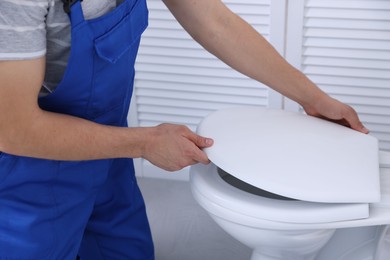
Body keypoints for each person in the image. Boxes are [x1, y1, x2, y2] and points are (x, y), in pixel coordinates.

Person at [0, 0, 368, 259]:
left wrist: (312, 97)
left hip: (107, 153)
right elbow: (15, 130)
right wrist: (144, 143)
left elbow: (213, 20)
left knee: (125, 250)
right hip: (30, 177)